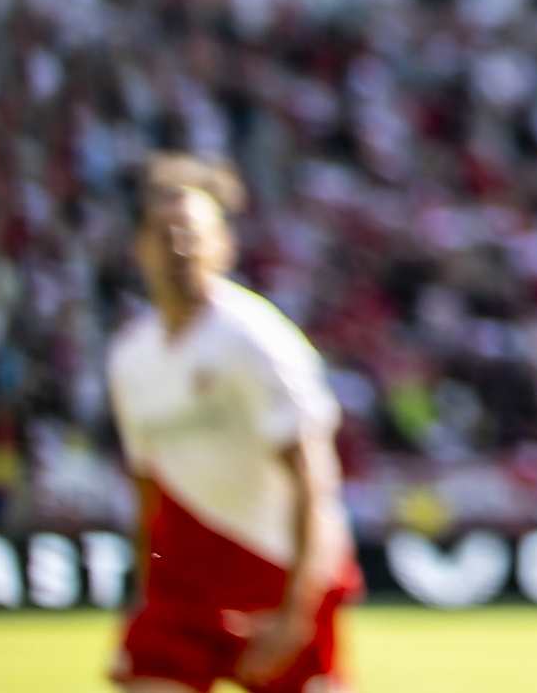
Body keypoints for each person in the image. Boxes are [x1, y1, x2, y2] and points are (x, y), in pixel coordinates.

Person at [103, 155, 358, 693]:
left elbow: (313, 477)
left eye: (193, 233)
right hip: (184, 579)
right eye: (164, 233)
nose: (180, 247)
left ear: (224, 245)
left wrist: (298, 607)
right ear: (139, 247)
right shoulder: (131, 357)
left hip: (276, 567)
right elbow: (147, 486)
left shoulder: (257, 340)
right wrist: (141, 596)